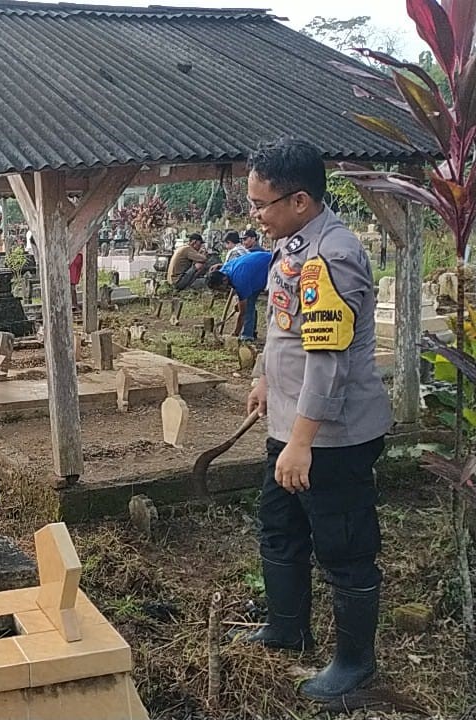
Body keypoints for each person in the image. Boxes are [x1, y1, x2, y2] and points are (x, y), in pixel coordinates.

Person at [241, 138, 391, 701]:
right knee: (279, 526)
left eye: (263, 204)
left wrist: (301, 443)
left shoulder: (333, 254)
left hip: (331, 437)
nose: (256, 214)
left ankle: (355, 668)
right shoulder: (293, 245)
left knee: (343, 545)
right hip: (291, 427)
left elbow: (327, 359)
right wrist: (263, 376)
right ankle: (288, 627)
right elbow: (285, 329)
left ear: (300, 200)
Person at [206, 249, 271, 341]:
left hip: (269, 265)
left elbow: (242, 313)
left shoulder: (240, 281)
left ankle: (247, 336)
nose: (220, 291)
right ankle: (251, 331)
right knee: (248, 303)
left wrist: (235, 333)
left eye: (220, 288)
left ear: (224, 280)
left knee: (248, 306)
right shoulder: (224, 270)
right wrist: (240, 304)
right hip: (254, 269)